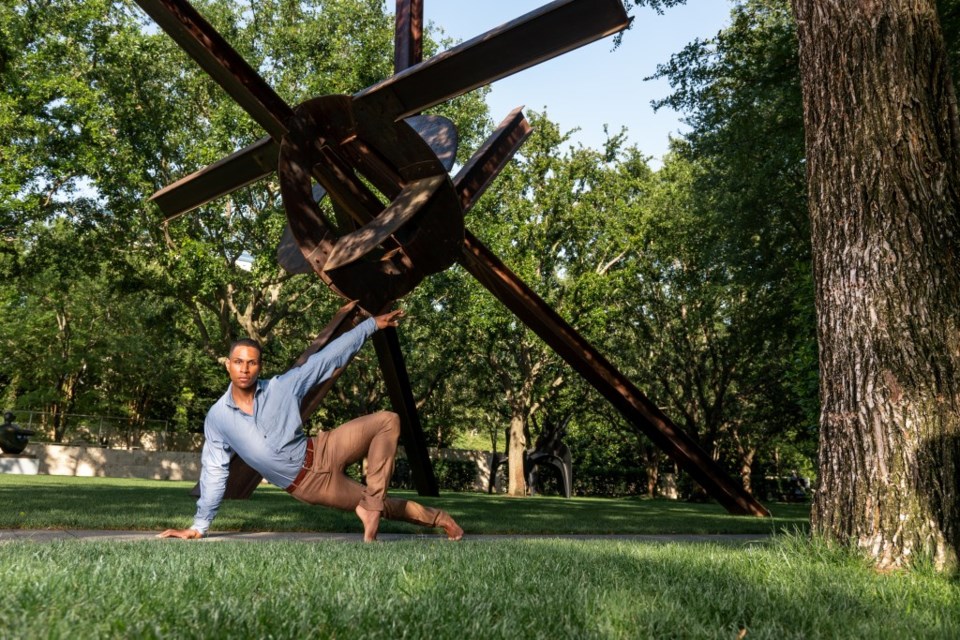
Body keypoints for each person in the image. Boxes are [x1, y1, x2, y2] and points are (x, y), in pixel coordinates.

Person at [159, 309, 463, 542]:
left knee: (388, 421)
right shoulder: (218, 418)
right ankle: (439, 519)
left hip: (323, 449)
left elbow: (325, 359)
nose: (245, 369)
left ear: (260, 366)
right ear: (228, 364)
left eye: (252, 362)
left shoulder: (281, 386)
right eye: (238, 361)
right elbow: (214, 470)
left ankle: (371, 505)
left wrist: (370, 326)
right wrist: (199, 527)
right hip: (311, 485)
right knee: (383, 505)